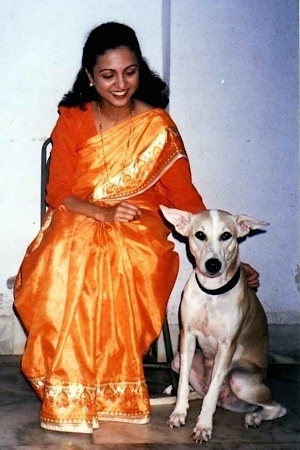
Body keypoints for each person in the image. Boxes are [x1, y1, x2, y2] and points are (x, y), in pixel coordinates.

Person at [13, 22, 259, 434]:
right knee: (71, 251)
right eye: (107, 74)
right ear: (90, 77)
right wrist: (101, 213)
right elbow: (58, 193)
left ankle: (107, 389)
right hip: (78, 213)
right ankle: (72, 388)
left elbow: (186, 201)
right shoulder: (73, 119)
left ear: (139, 70)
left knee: (115, 256)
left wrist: (227, 255)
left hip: (140, 225)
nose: (121, 83)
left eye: (130, 71)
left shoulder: (158, 127)